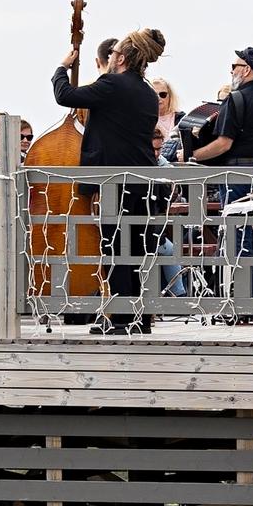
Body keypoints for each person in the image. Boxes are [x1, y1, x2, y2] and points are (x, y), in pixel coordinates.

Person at [51, 27, 169, 334]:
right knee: (134, 250)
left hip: (114, 179)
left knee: (116, 248)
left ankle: (119, 319)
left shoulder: (112, 84)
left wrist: (62, 68)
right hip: (143, 177)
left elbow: (66, 96)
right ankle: (138, 319)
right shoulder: (146, 91)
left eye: (115, 52)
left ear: (123, 57)